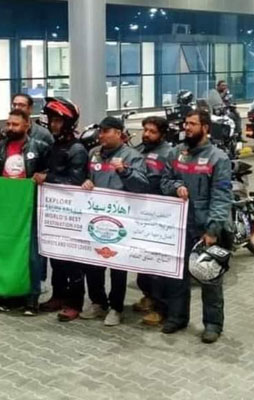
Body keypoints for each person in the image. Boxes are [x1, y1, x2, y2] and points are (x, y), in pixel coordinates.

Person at [160, 109, 233, 344]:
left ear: (205, 128)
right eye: (186, 124)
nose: (187, 128)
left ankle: (213, 324)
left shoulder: (218, 158)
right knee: (177, 276)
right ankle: (178, 317)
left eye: (192, 124)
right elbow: (165, 181)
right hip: (180, 227)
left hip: (206, 228)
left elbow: (222, 197)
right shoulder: (176, 153)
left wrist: (213, 231)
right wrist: (176, 186)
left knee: (209, 278)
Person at [0, 109, 50, 316]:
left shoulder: (40, 147)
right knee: (8, 252)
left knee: (31, 256)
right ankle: (11, 295)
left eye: (15, 125)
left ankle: (31, 298)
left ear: (27, 126)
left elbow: (51, 171)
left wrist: (44, 175)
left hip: (29, 208)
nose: (10, 128)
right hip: (5, 208)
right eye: (8, 124)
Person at [80, 116, 149, 326]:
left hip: (121, 222)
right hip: (96, 219)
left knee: (118, 265)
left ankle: (116, 307)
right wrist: (87, 182)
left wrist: (124, 171)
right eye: (100, 131)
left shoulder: (132, 156)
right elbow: (87, 177)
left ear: (118, 133)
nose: (101, 135)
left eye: (106, 131)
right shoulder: (94, 155)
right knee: (93, 263)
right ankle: (97, 302)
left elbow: (142, 185)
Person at [33, 98, 89, 321]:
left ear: (67, 123)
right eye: (52, 120)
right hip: (54, 212)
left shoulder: (77, 149)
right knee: (55, 256)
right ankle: (58, 295)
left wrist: (48, 178)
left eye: (57, 121)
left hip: (72, 214)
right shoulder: (55, 146)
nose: (53, 125)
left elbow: (75, 181)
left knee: (72, 261)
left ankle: (75, 302)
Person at [132, 116, 175, 326]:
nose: (147, 134)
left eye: (152, 131)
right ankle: (148, 296)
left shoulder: (169, 154)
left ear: (162, 134)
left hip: (160, 215)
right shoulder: (139, 149)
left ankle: (161, 309)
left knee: (158, 267)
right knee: (142, 262)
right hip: (139, 214)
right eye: (145, 130)